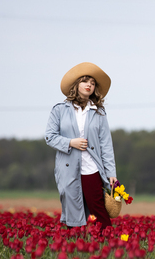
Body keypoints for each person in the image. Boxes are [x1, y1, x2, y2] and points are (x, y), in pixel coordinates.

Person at [45, 62, 118, 233]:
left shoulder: (98, 112)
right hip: (68, 167)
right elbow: (50, 136)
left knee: (98, 207)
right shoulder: (59, 110)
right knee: (71, 210)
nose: (89, 85)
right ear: (76, 85)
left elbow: (106, 144)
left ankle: (108, 243)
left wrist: (111, 173)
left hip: (91, 168)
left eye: (92, 83)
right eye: (85, 81)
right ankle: (75, 249)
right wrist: (71, 142)